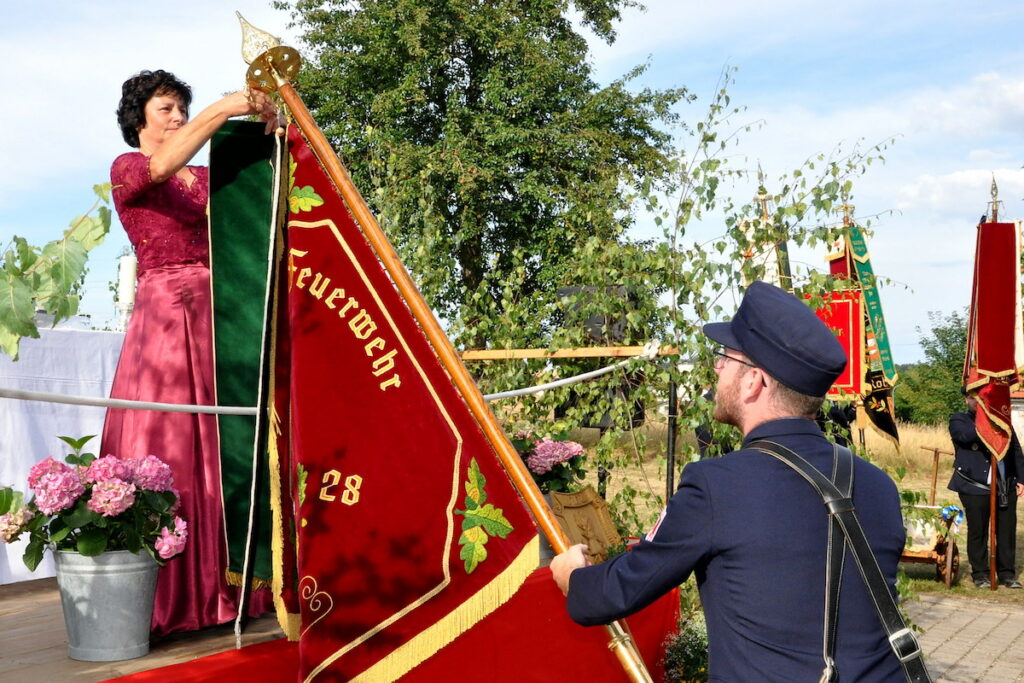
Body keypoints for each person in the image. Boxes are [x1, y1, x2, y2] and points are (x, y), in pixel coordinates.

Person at [551, 281, 908, 681]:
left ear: (754, 381)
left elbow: (614, 593)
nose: (716, 368)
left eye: (724, 357)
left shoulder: (716, 486)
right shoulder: (879, 486)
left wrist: (573, 575)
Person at [101, 70, 279, 636]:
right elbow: (161, 166)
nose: (177, 116)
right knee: (173, 444)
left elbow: (256, 203)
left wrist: (272, 131)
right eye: (166, 108)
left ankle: (240, 587)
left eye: (182, 107)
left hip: (223, 318)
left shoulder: (204, 177)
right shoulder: (127, 167)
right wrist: (226, 106)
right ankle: (171, 599)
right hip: (165, 321)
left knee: (231, 445)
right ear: (139, 118)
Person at [948, 388, 1024, 589]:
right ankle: (981, 574)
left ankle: (1007, 574)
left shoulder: (1002, 421)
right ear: (967, 400)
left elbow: (1015, 449)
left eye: (982, 398)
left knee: (1006, 531)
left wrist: (1021, 479)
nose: (978, 401)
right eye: (973, 398)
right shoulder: (959, 419)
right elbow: (965, 436)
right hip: (974, 485)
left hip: (1004, 485)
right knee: (978, 531)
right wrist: (987, 422)